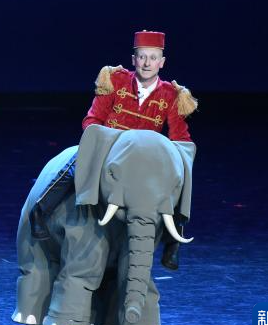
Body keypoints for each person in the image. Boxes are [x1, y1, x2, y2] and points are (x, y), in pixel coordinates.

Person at [28, 30, 197, 269]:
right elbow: (92, 119)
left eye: (153, 58)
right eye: (142, 57)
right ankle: (40, 210)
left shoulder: (172, 94)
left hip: (145, 157)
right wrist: (103, 139)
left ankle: (174, 240)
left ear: (162, 62)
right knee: (76, 159)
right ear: (133, 59)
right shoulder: (115, 80)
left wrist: (172, 158)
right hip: (110, 149)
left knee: (182, 168)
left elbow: (180, 136)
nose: (147, 63)